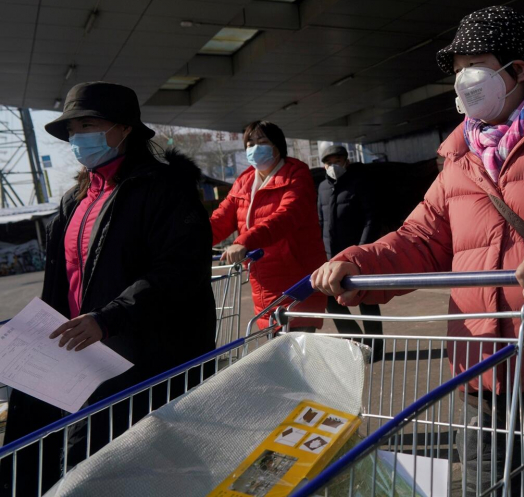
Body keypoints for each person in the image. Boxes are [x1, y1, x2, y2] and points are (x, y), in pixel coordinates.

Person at [312, 5, 524, 496]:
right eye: (456, 74)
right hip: (486, 383)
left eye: (471, 68)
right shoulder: (460, 159)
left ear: (517, 70)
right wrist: (359, 261)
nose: (461, 84)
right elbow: (420, 237)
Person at [2, 82, 216, 493]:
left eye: (89, 124)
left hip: (145, 357)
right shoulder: (75, 199)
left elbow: (181, 269)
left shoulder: (164, 188)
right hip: (83, 358)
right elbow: (61, 283)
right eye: (72, 128)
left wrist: (111, 316)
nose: (78, 136)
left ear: (124, 129)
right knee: (75, 460)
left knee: (127, 466)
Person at [210, 121, 327, 331]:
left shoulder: (296, 175)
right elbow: (219, 220)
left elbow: (287, 216)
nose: (255, 148)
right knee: (276, 350)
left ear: (277, 146)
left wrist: (244, 241)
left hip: (296, 278)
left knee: (298, 350)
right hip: (263, 280)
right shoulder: (244, 181)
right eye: (250, 143)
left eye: (262, 142)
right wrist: (186, 241)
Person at [317, 145, 382, 341]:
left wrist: (362, 249)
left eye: (337, 161)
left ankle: (375, 346)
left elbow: (371, 218)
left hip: (357, 255)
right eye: (329, 162)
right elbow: (320, 221)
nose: (333, 166)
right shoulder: (322, 188)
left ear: (346, 161)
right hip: (331, 257)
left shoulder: (359, 183)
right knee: (330, 299)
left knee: (366, 299)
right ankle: (355, 342)